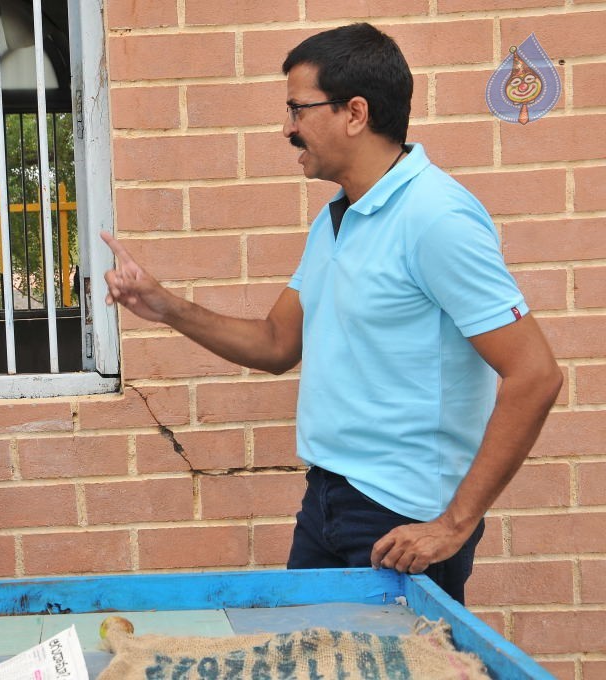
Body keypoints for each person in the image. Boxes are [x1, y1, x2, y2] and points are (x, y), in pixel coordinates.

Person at [102, 23, 561, 604]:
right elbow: (275, 344)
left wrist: (453, 526)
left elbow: (536, 375)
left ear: (355, 113)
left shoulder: (436, 217)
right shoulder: (338, 217)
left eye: (298, 108)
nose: (287, 128)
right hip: (328, 498)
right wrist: (167, 307)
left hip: (401, 518)